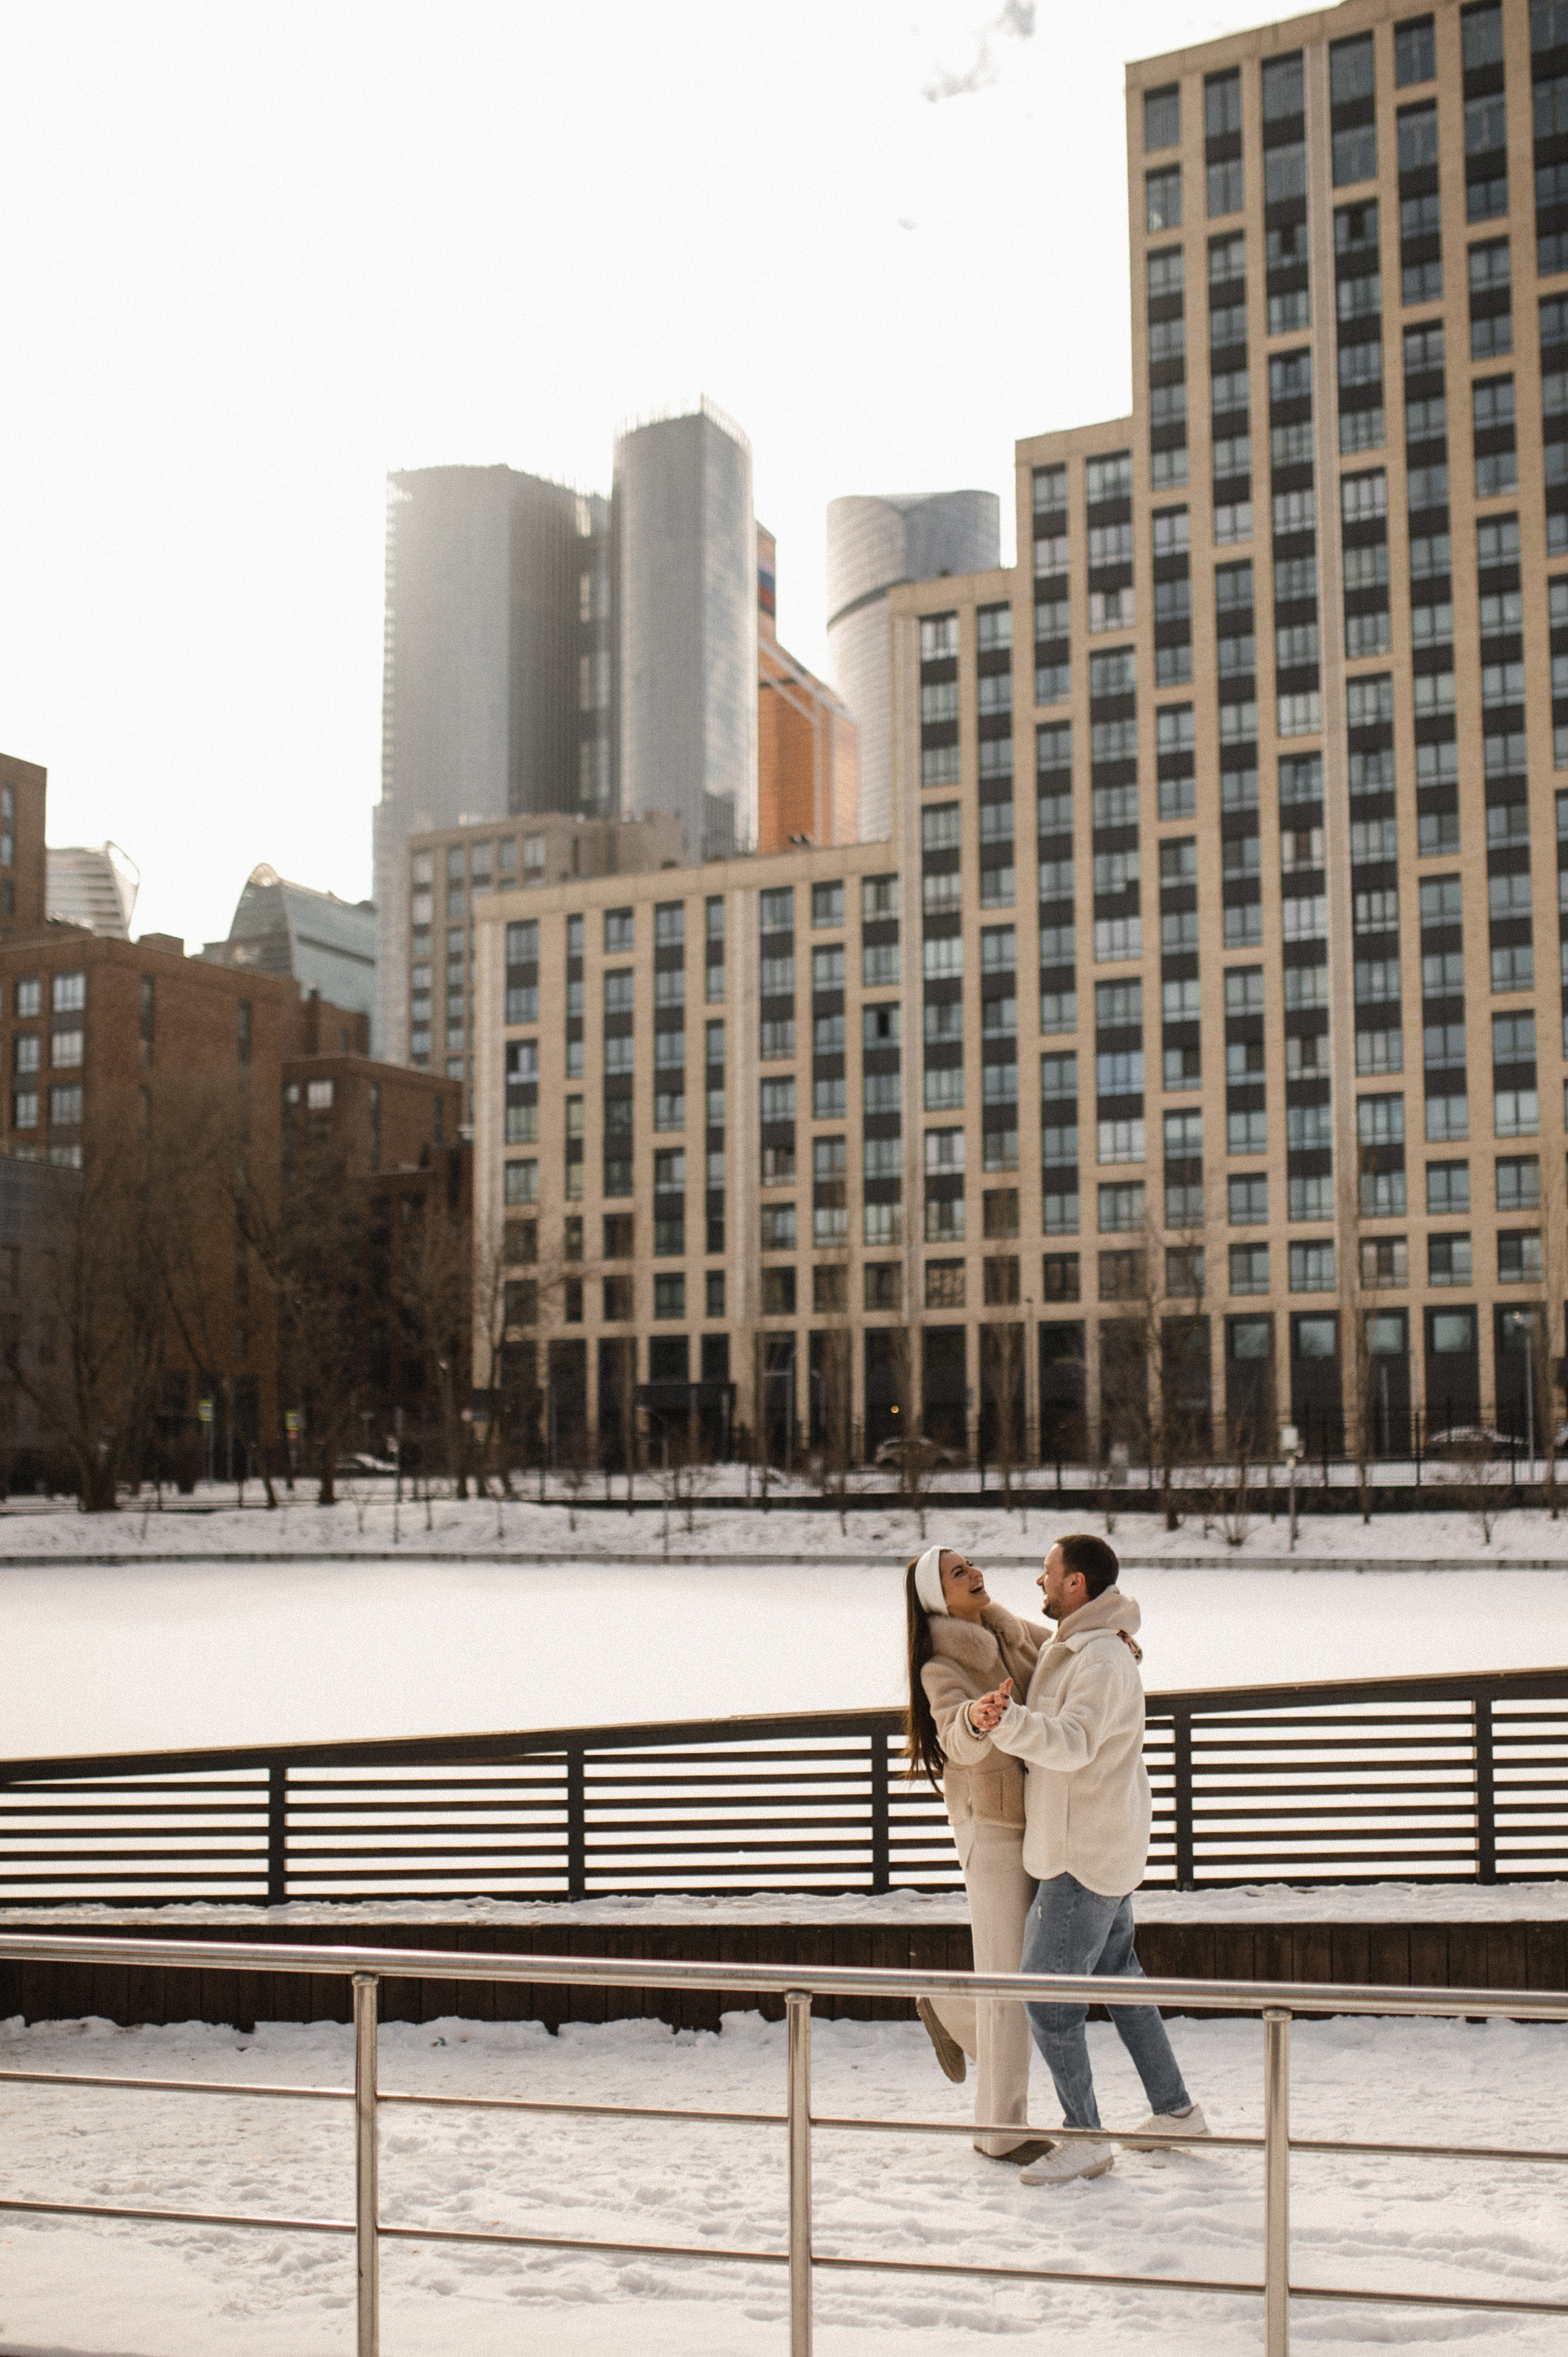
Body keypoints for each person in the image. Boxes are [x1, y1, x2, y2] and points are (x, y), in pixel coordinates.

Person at [956, 1531, 1208, 2186]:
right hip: (1100, 1840)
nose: (1038, 1582)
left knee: (1045, 1997)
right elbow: (1034, 1651)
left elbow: (1072, 1742)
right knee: (1119, 1979)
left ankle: (1085, 2134)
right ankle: (1175, 2109)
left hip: (1081, 1854)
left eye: (1047, 1572)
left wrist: (1001, 1722)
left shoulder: (1099, 1659)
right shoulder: (1087, 1647)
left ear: (1076, 1585)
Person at [905, 1543, 1050, 2162]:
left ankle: (948, 2003)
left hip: (1041, 1814)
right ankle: (999, 2130)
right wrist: (977, 1716)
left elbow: (1066, 1657)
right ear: (937, 1594)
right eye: (958, 1571)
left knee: (1030, 1974)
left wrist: (1118, 1641)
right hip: (989, 1822)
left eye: (971, 1564)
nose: (974, 1573)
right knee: (1007, 1978)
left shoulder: (1010, 1630)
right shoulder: (940, 1662)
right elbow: (953, 1734)